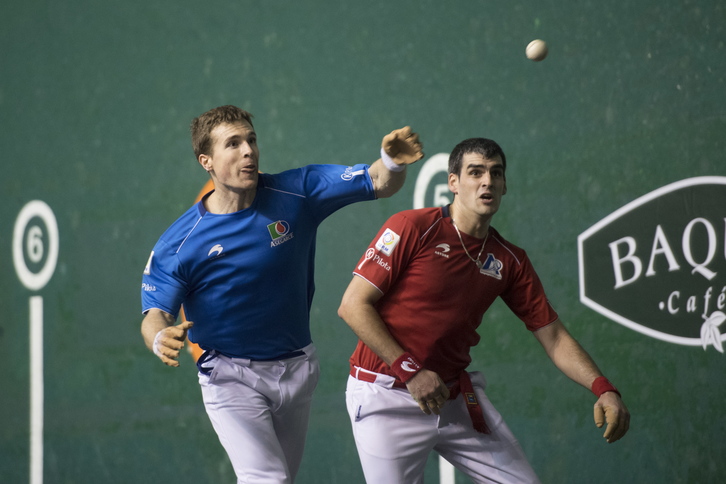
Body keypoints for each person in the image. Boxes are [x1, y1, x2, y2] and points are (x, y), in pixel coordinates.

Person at [140, 105, 423, 484]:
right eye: (234, 144)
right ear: (206, 160)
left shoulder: (296, 191)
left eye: (252, 140)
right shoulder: (181, 242)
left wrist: (392, 161)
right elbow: (154, 313)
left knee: (281, 478)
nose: (248, 151)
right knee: (267, 479)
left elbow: (377, 180)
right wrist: (160, 336)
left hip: (297, 367)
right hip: (229, 374)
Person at [337, 137, 630, 483]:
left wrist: (603, 388)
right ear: (453, 183)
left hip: (453, 397)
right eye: (475, 172)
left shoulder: (509, 260)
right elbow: (352, 305)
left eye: (495, 173)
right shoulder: (413, 227)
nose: (487, 181)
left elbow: (553, 337)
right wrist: (411, 371)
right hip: (386, 395)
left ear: (505, 186)